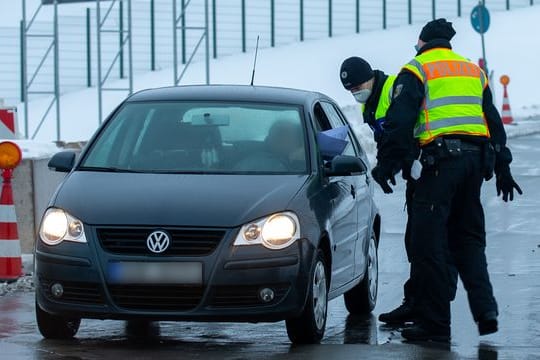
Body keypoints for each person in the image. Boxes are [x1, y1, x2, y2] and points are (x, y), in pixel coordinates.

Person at [371, 18, 522, 342]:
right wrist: (503, 167)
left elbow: (399, 123)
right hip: (473, 165)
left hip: (438, 166)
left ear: (423, 42)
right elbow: (493, 122)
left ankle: (435, 324)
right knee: (468, 241)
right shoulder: (472, 71)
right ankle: (486, 311)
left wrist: (386, 165)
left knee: (429, 245)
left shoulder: (418, 69)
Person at [340, 57, 420, 324]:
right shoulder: (371, 102)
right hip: (416, 173)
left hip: (428, 170)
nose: (356, 92)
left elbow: (401, 134)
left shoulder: (393, 90)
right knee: (418, 242)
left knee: (425, 243)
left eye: (358, 85)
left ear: (370, 77)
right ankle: (420, 304)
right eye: (351, 90)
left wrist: (390, 166)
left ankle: (423, 307)